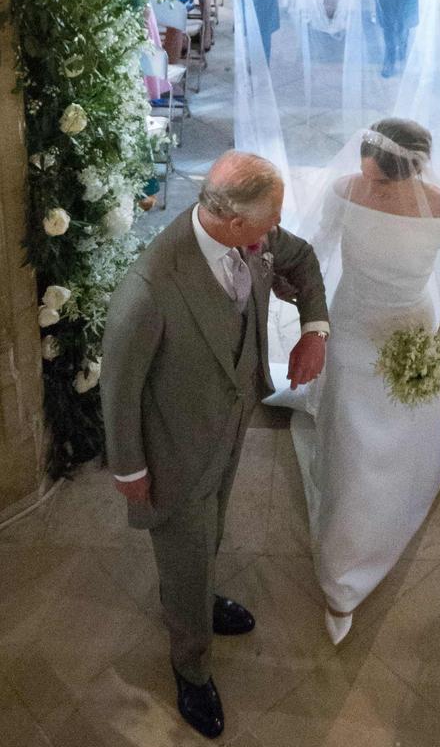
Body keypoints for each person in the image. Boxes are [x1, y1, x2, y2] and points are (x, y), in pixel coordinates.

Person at [101, 151, 328, 738]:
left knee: (209, 528)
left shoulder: (251, 239)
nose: (275, 230)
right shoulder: (149, 288)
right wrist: (130, 472)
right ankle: (191, 665)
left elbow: (300, 261)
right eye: (268, 220)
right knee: (183, 543)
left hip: (229, 421)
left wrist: (313, 331)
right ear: (230, 223)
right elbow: (119, 388)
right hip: (173, 445)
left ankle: (196, 596)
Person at [268, 119, 440, 644]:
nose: (367, 186)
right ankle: (343, 573)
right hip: (350, 322)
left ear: (411, 172)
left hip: (409, 329)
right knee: (351, 443)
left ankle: (393, 501)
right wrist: (298, 297)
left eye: (380, 182)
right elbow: (318, 248)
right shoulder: (344, 191)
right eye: (365, 174)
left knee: (401, 426)